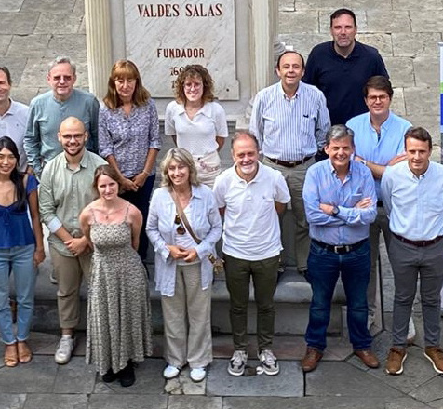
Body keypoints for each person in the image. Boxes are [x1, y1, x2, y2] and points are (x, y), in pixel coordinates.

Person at [300, 125, 379, 374]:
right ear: (326, 149)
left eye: (346, 148)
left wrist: (335, 210)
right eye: (336, 148)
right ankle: (314, 347)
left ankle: (362, 345)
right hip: (323, 252)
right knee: (320, 303)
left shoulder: (364, 173)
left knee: (359, 303)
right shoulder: (314, 173)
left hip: (357, 251)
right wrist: (353, 212)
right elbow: (312, 215)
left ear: (353, 150)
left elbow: (370, 215)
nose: (341, 153)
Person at [382, 128, 443, 377]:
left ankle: (433, 346)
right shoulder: (393, 175)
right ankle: (397, 347)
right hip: (403, 246)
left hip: (436, 247)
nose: (416, 157)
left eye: (421, 151)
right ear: (405, 150)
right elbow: (390, 205)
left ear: (430, 151)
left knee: (432, 298)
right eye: (412, 151)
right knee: (402, 298)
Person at [247, 48, 329, 275]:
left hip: (305, 168)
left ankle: (305, 264)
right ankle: (277, 263)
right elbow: (256, 134)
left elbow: (323, 132)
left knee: (306, 218)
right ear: (277, 70)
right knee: (272, 217)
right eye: (286, 66)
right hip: (273, 168)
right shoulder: (264, 98)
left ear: (303, 71)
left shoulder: (315, 96)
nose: (291, 71)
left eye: (296, 67)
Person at [214, 131, 288, 377]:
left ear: (259, 153)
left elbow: (280, 207)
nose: (246, 159)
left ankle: (266, 349)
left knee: (266, 305)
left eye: (251, 153)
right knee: (238, 305)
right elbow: (220, 211)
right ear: (233, 155)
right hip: (235, 253)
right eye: (241, 154)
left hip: (267, 253)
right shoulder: (223, 181)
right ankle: (240, 350)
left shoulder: (274, 177)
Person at [36, 117, 107, 364]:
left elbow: (107, 207)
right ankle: (67, 335)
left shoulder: (100, 166)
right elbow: (46, 210)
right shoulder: (51, 169)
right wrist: (70, 241)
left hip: (95, 244)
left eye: (77, 135)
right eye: (67, 136)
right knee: (66, 291)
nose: (72, 141)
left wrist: (86, 240)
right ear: (59, 137)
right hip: (62, 244)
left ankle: (102, 337)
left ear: (86, 136)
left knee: (100, 292)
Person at [146, 148, 221, 383]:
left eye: (181, 167)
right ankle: (175, 359)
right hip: (170, 264)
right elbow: (151, 229)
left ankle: (198, 360)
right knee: (173, 314)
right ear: (166, 172)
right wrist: (166, 248)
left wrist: (198, 250)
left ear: (190, 169)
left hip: (197, 263)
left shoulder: (205, 194)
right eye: (172, 168)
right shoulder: (159, 196)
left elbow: (216, 228)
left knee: (199, 314)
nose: (177, 172)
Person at [345, 74, 412, 333]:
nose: (377, 101)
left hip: (394, 206)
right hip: (363, 206)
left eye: (382, 97)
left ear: (390, 99)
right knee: (365, 268)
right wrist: (382, 167)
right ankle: (369, 317)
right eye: (372, 97)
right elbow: (351, 164)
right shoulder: (353, 125)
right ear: (365, 100)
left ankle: (405, 321)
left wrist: (365, 164)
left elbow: (398, 171)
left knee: (402, 266)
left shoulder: (405, 128)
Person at [0, 137, 44, 366]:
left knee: (25, 297)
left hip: (24, 247)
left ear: (17, 159)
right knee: (0, 299)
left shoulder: (27, 182)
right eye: (0, 157)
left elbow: (35, 216)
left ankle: (22, 338)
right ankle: (9, 342)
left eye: (11, 157)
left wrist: (39, 247)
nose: (6, 162)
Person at [79, 165, 152, 387]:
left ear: (118, 185)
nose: (108, 189)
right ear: (96, 187)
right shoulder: (88, 214)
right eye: (103, 185)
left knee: (126, 315)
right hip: (103, 272)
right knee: (105, 316)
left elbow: (135, 243)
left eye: (111, 184)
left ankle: (127, 362)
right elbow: (90, 242)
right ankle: (108, 361)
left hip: (128, 270)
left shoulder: (133, 212)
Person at [98, 59, 159, 262]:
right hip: (118, 178)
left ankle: (139, 263)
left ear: (137, 81)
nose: (125, 86)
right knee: (119, 222)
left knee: (140, 220)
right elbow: (106, 147)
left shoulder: (147, 104)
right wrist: (120, 178)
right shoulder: (106, 109)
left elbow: (154, 141)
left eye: (130, 80)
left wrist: (143, 173)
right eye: (120, 80)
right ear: (113, 83)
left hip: (144, 176)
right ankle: (121, 264)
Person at [304, 9, 389, 126]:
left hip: (362, 128)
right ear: (331, 30)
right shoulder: (318, 55)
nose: (343, 32)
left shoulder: (371, 57)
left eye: (348, 27)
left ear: (356, 30)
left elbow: (384, 91)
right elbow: (306, 90)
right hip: (327, 129)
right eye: (338, 27)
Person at [23, 57, 100, 175]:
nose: (62, 81)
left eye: (67, 77)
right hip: (50, 173)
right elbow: (30, 139)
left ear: (74, 78)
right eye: (57, 78)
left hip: (84, 171)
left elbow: (98, 137)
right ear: (48, 79)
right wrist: (39, 170)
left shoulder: (89, 102)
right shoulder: (38, 104)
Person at [162, 64, 228, 188]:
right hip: (183, 169)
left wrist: (204, 155)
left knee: (213, 205)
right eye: (188, 84)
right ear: (182, 87)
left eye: (197, 84)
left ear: (205, 86)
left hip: (210, 171)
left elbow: (220, 139)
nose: (193, 89)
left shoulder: (216, 110)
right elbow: (174, 135)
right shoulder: (173, 108)